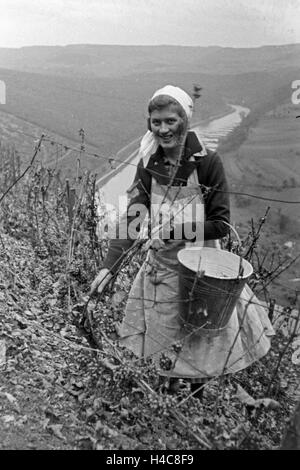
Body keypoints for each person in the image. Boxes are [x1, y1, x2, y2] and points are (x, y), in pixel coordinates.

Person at [90, 85, 274, 399]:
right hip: (160, 270)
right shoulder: (149, 164)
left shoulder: (206, 163)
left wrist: (173, 232)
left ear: (184, 121)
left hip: (203, 270)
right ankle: (167, 393)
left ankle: (196, 395)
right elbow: (133, 219)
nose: (162, 129)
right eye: (156, 122)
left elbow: (221, 224)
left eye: (170, 121)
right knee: (161, 338)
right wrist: (109, 268)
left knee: (202, 339)